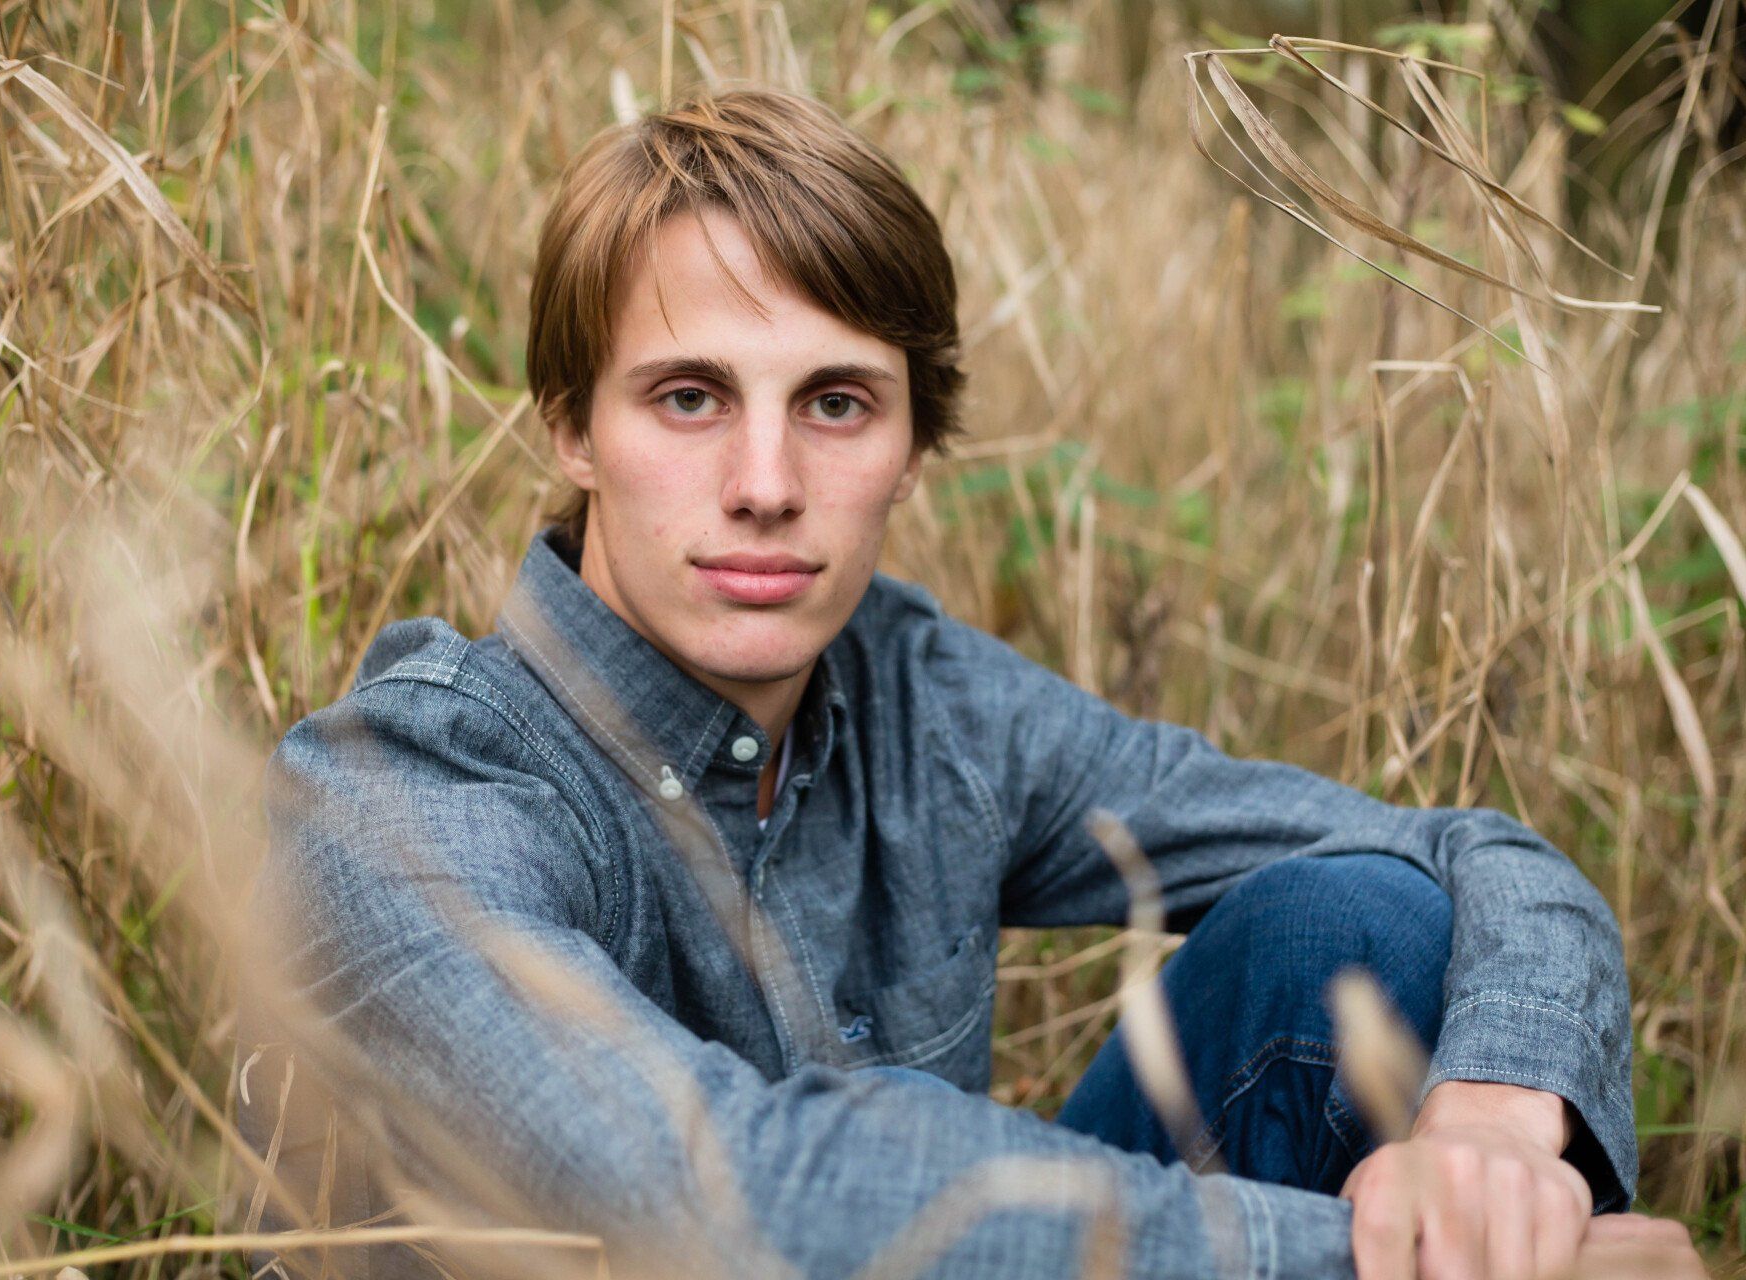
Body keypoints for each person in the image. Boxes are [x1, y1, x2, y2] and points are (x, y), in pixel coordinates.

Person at [236, 88, 1704, 1280]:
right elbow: (711, 1195)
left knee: (1367, 929)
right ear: (571, 428)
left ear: (913, 443)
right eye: (688, 398)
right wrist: (1381, 1261)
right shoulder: (407, 789)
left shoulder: (925, 701)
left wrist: (1503, 1130)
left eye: (836, 404)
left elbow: (1467, 850)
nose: (764, 486)